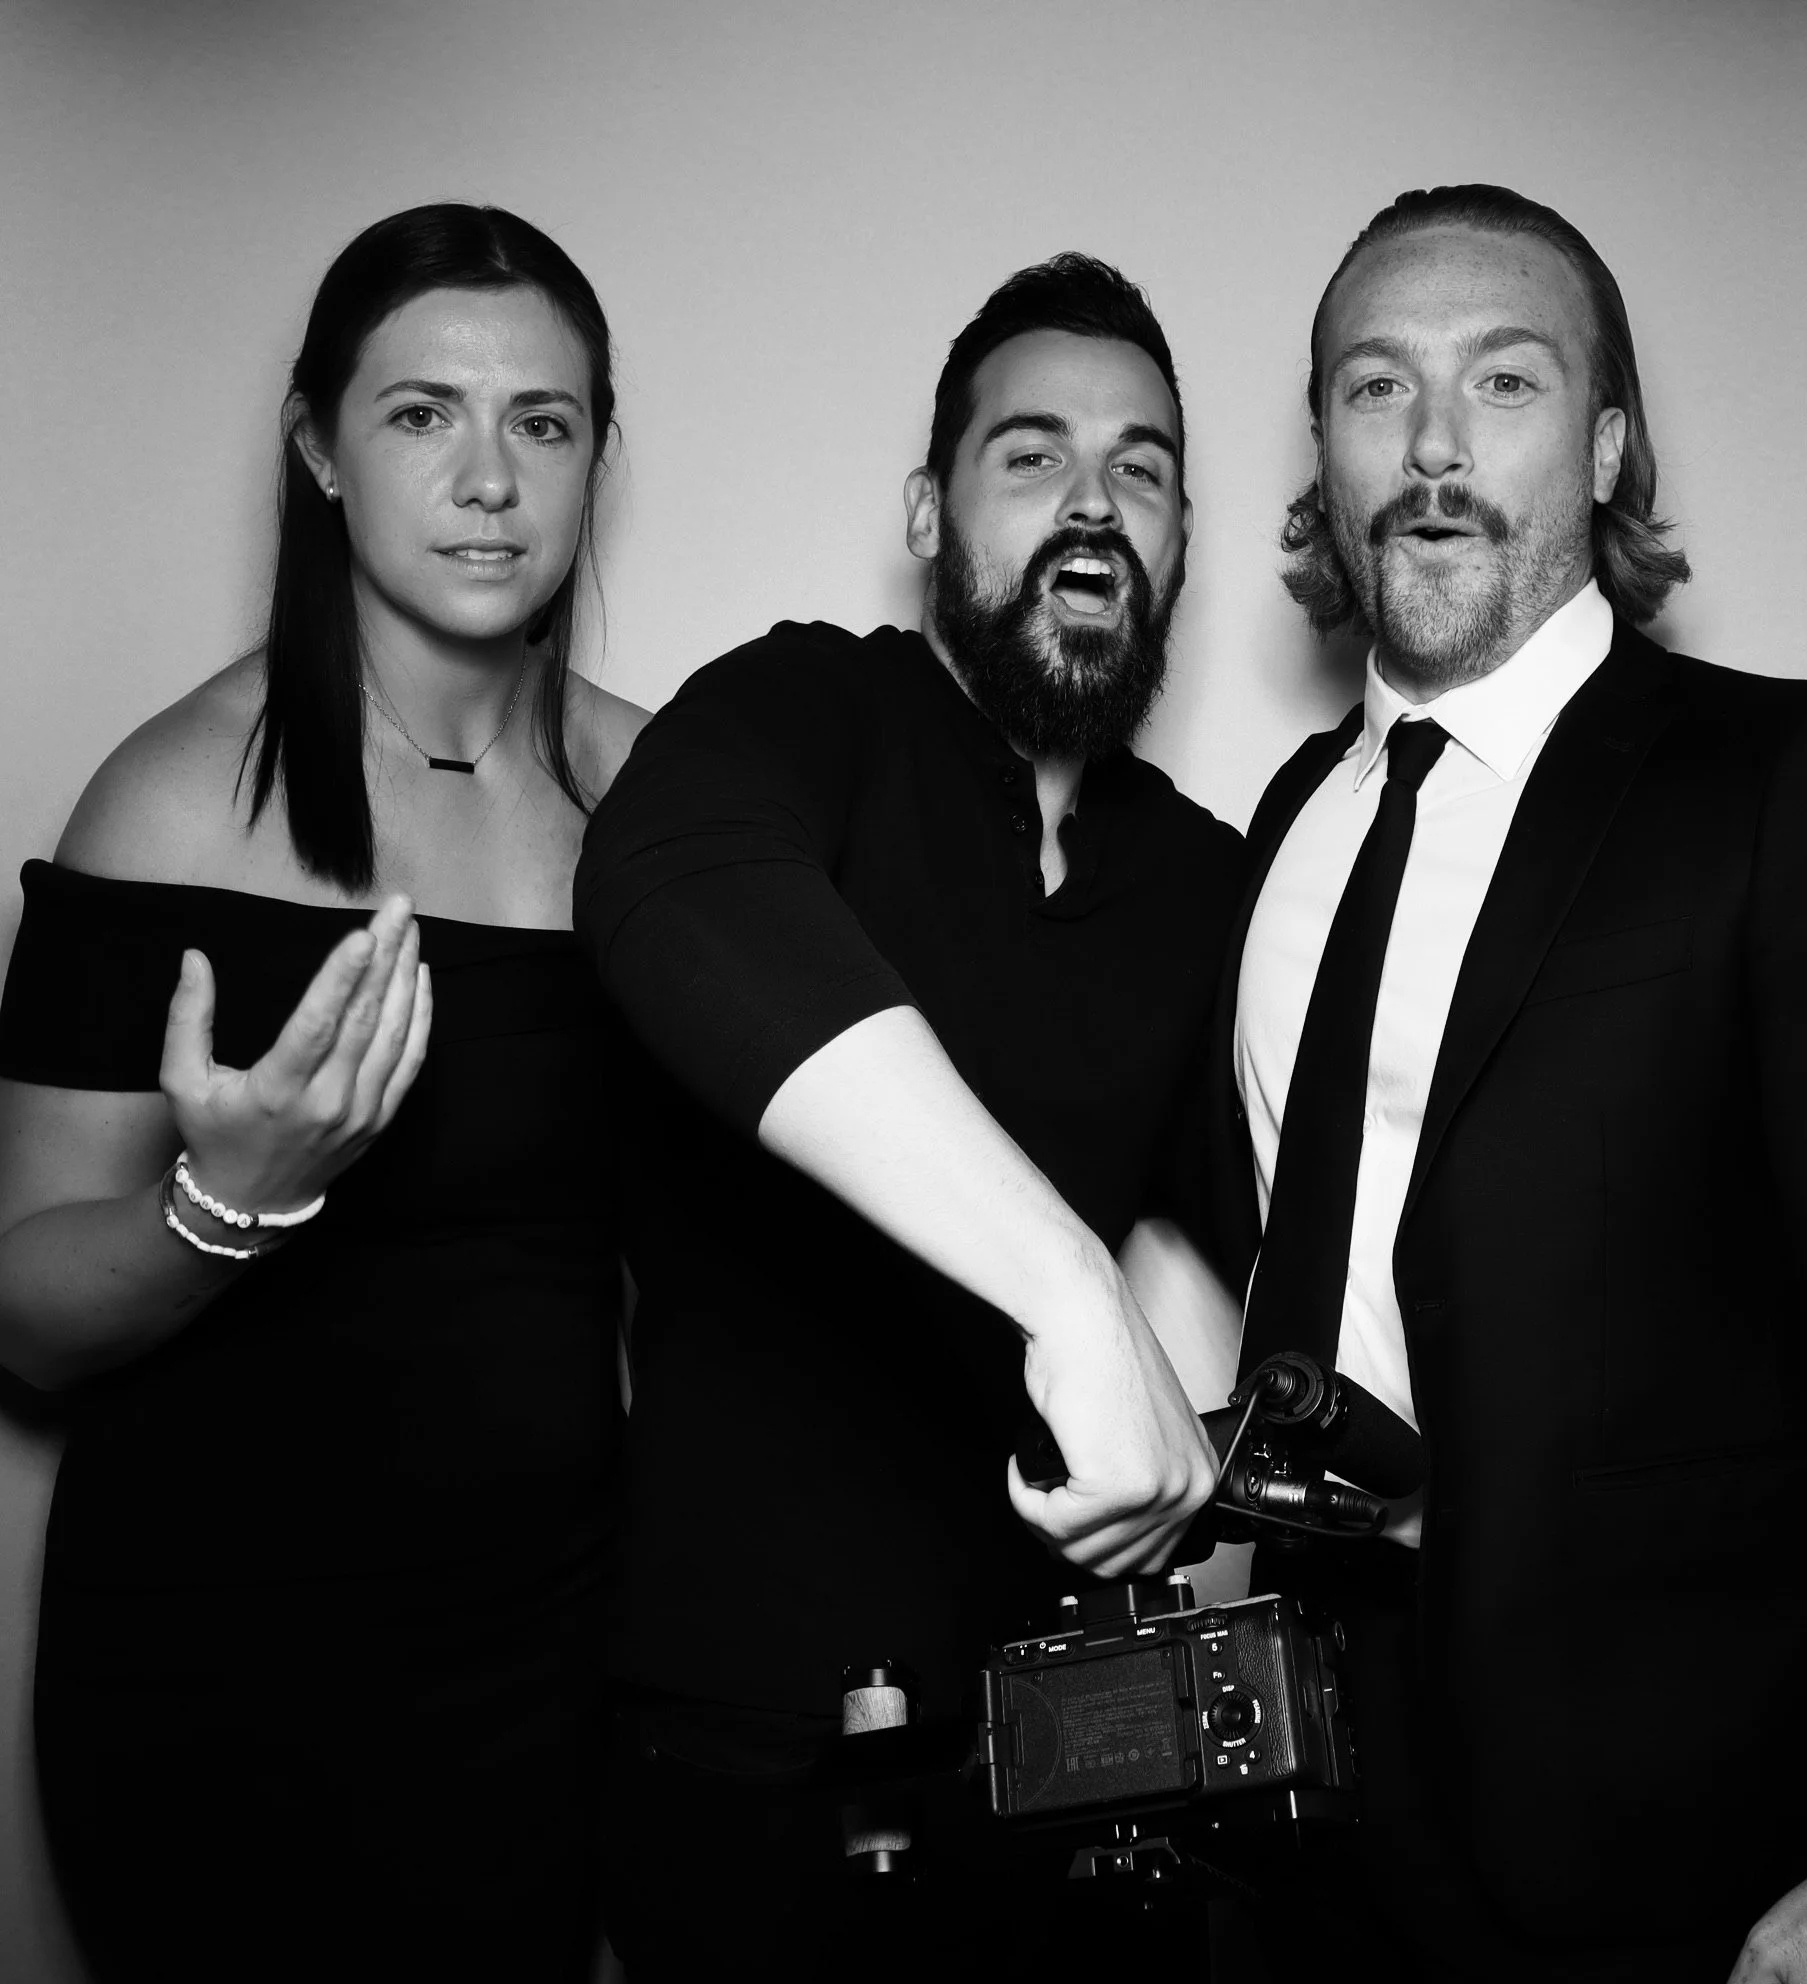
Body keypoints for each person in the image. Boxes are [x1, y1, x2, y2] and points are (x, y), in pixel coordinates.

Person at [1201, 182, 1807, 1982]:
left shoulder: (1796, 780)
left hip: (1683, 1851)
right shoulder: (1283, 832)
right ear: (1322, 447)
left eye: (1507, 383)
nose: (1435, 447)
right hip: (1309, 1817)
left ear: (1611, 444)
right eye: (1377, 388)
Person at [0, 203, 649, 1981]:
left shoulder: (665, 811)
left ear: (599, 452)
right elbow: (26, 1312)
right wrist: (239, 1196)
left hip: (555, 1668)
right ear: (318, 447)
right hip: (221, 1679)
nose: (491, 480)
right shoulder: (166, 801)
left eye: (544, 422)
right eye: (422, 414)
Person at [574, 253, 1242, 1976]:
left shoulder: (1209, 876)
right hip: (743, 1766)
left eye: (1144, 469)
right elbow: (672, 883)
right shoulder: (809, 711)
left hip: (1087, 1778)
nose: (1095, 505)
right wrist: (1068, 1289)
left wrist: (1180, 1326)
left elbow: (1231, 1227)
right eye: (1032, 455)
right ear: (927, 511)